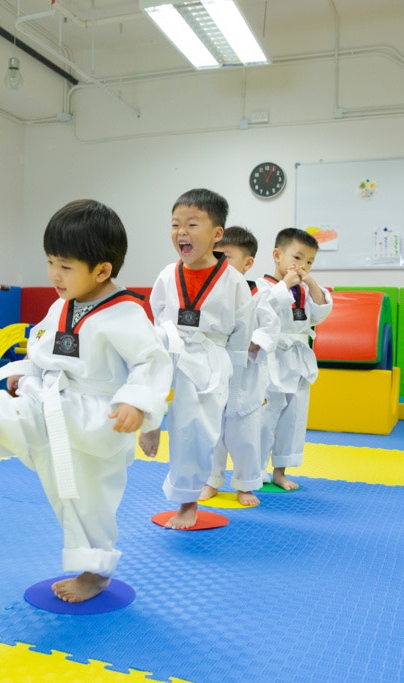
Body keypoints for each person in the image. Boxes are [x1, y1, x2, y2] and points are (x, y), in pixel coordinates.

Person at [0, 199, 172, 604]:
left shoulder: (127, 313)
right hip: (49, 399)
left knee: (88, 500)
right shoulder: (62, 304)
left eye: (65, 266)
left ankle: (95, 571)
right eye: (50, 261)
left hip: (96, 420)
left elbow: (151, 362)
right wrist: (29, 371)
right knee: (8, 411)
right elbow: (43, 348)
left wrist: (136, 403)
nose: (53, 274)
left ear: (102, 270)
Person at [138, 189, 251, 529]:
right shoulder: (166, 274)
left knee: (195, 431)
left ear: (217, 234)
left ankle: (188, 501)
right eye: (175, 225)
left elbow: (241, 330)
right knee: (143, 379)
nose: (181, 232)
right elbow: (157, 314)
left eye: (191, 224)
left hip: (209, 357)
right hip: (169, 344)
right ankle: (151, 422)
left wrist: (234, 379)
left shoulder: (234, 282)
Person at [198, 226, 277, 507]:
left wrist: (256, 342)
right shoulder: (210, 294)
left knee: (245, 435)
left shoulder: (258, 294)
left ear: (248, 263)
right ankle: (211, 479)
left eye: (227, 257)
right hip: (215, 372)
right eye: (215, 256)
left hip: (245, 376)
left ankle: (246, 484)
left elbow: (270, 326)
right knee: (212, 431)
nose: (219, 263)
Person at [256, 227, 333, 492]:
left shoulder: (305, 290)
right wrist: (285, 285)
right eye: (297, 258)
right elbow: (262, 310)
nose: (302, 266)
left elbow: (321, 312)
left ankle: (280, 472)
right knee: (266, 417)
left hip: (298, 359)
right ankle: (256, 470)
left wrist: (310, 283)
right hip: (272, 358)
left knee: (294, 417)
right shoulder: (263, 286)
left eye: (309, 262)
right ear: (277, 255)